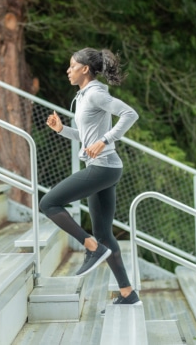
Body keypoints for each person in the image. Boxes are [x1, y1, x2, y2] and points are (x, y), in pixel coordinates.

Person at [40, 47, 141, 306]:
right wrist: (63, 130)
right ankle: (128, 292)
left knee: (48, 204)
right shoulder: (83, 96)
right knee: (105, 233)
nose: (68, 70)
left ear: (85, 69)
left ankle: (90, 246)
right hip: (105, 167)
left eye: (72, 66)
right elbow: (86, 139)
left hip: (103, 167)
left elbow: (130, 114)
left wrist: (106, 140)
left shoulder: (95, 93)